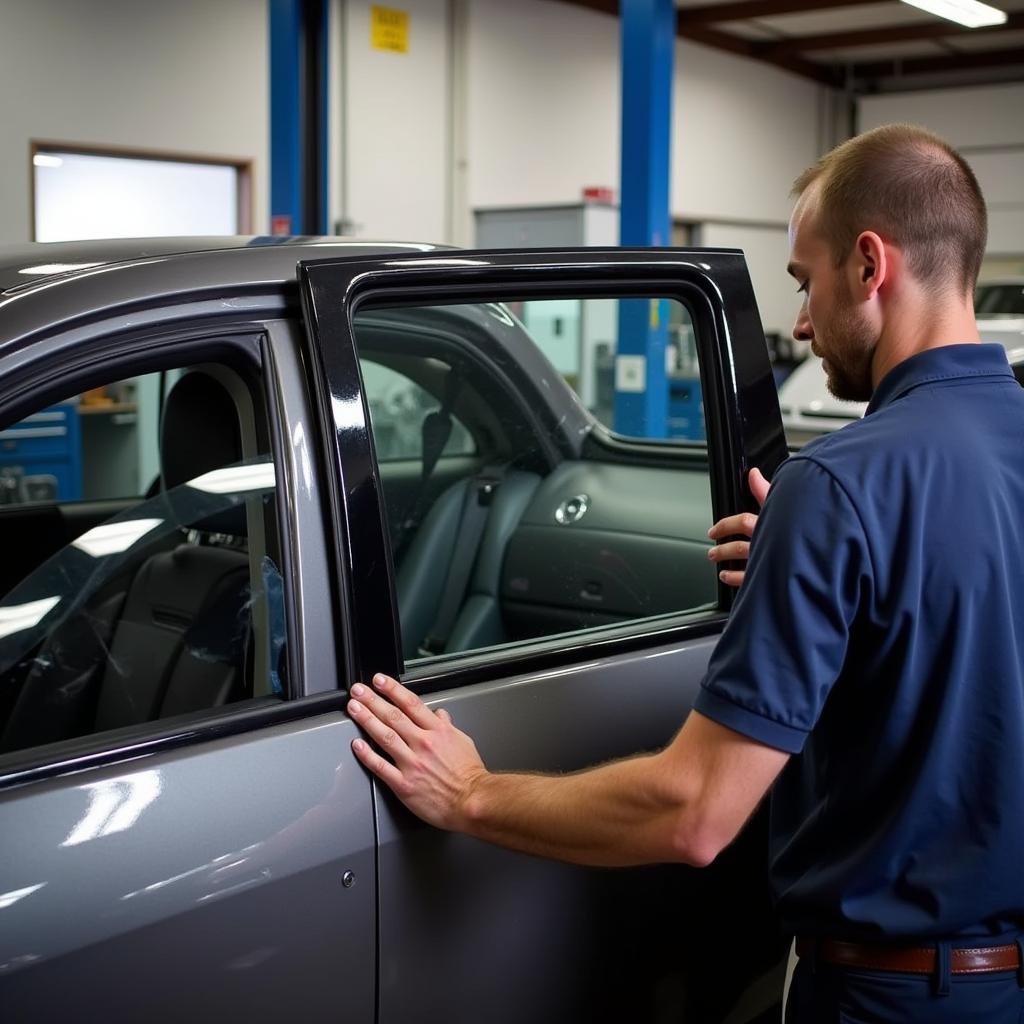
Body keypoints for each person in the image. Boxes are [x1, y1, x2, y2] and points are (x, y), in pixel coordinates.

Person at [349, 123, 1024, 1021]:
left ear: (870, 265)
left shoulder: (835, 487)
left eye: (805, 281)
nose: (801, 322)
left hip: (880, 997)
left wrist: (473, 795)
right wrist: (821, 579)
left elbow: (696, 814)